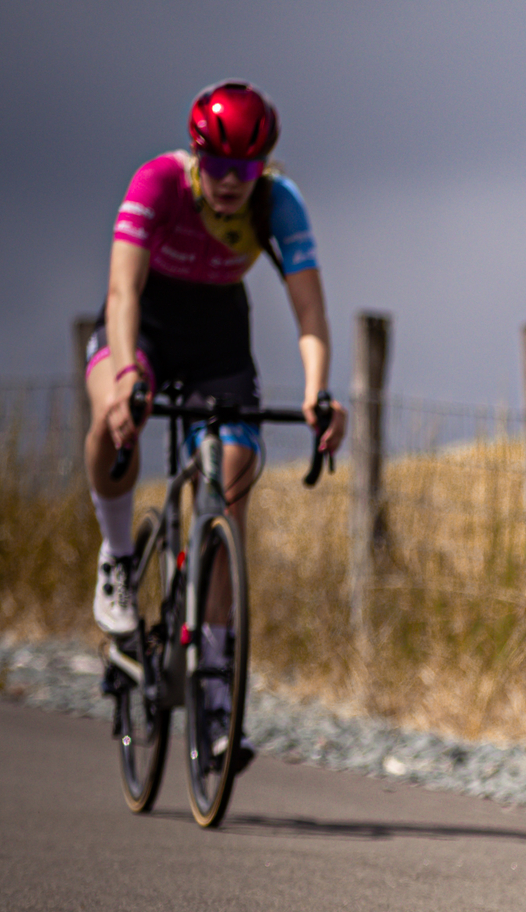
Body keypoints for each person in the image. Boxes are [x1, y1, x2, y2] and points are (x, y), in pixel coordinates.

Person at [85, 83, 346, 757]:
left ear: (264, 167)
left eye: (247, 169)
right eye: (219, 166)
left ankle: (218, 695)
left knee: (231, 490)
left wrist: (319, 391)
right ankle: (117, 559)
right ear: (196, 154)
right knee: (114, 426)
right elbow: (122, 291)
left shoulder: (277, 203)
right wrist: (124, 378)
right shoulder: (159, 184)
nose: (231, 183)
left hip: (217, 340)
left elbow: (310, 312)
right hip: (144, 326)